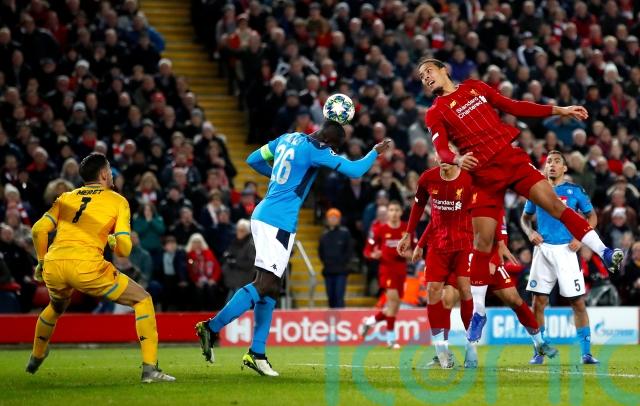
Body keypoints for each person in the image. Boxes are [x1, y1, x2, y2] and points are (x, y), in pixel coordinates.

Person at [407, 58, 623, 336]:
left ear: (444, 70)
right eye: (421, 75)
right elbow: (441, 149)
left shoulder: (474, 87)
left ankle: (604, 252)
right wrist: (457, 159)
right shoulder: (435, 112)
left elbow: (513, 106)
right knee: (482, 242)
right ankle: (479, 313)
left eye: (428, 71)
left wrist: (559, 110)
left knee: (555, 206)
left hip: (510, 160)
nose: (425, 77)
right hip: (482, 176)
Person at [195, 120, 390, 376]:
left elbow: (253, 160)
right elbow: (355, 171)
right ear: (329, 141)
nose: (332, 151)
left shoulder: (288, 138)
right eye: (334, 147)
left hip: (264, 213)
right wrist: (375, 152)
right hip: (278, 221)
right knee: (265, 284)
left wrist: (279, 180)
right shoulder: (318, 150)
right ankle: (211, 328)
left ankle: (257, 353)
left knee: (272, 286)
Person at [26, 153, 174, 382]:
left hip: (54, 264)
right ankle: (150, 369)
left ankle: (37, 354)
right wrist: (114, 242)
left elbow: (38, 229)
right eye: (110, 170)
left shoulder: (66, 197)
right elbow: (124, 250)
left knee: (56, 307)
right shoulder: (117, 200)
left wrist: (41, 261)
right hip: (87, 266)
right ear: (104, 174)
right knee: (142, 299)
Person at [521, 150, 600, 365]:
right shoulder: (536, 189)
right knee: (538, 302)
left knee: (577, 302)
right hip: (543, 249)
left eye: (557, 161)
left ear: (564, 168)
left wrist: (580, 238)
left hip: (568, 250)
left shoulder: (575, 191)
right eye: (549, 162)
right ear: (545, 167)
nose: (552, 165)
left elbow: (592, 216)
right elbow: (525, 218)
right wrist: (530, 232)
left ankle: (586, 353)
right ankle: (539, 351)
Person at [398, 161, 475, 367]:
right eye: (439, 152)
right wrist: (416, 241)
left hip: (463, 245)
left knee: (460, 293)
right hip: (438, 246)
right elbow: (430, 215)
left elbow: (484, 211)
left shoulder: (469, 179)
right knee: (434, 292)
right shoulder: (428, 178)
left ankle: (471, 347)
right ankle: (442, 351)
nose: (443, 157)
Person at [360, 201, 411, 349]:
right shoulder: (380, 229)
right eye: (391, 210)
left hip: (401, 270)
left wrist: (409, 254)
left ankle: (370, 322)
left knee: (394, 306)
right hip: (386, 270)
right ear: (387, 213)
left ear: (401, 212)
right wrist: (373, 254)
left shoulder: (407, 229)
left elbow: (413, 250)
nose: (394, 213)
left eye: (396, 210)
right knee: (393, 302)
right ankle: (391, 340)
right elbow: (367, 251)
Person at [318, 208, 353, 308]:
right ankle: (332, 317)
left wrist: (343, 262)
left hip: (341, 271)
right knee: (331, 297)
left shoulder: (345, 233)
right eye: (331, 217)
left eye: (335, 217)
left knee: (339, 297)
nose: (333, 219)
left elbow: (349, 250)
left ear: (339, 219)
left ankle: (341, 317)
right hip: (328, 270)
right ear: (327, 219)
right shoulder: (324, 235)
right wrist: (326, 262)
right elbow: (321, 252)